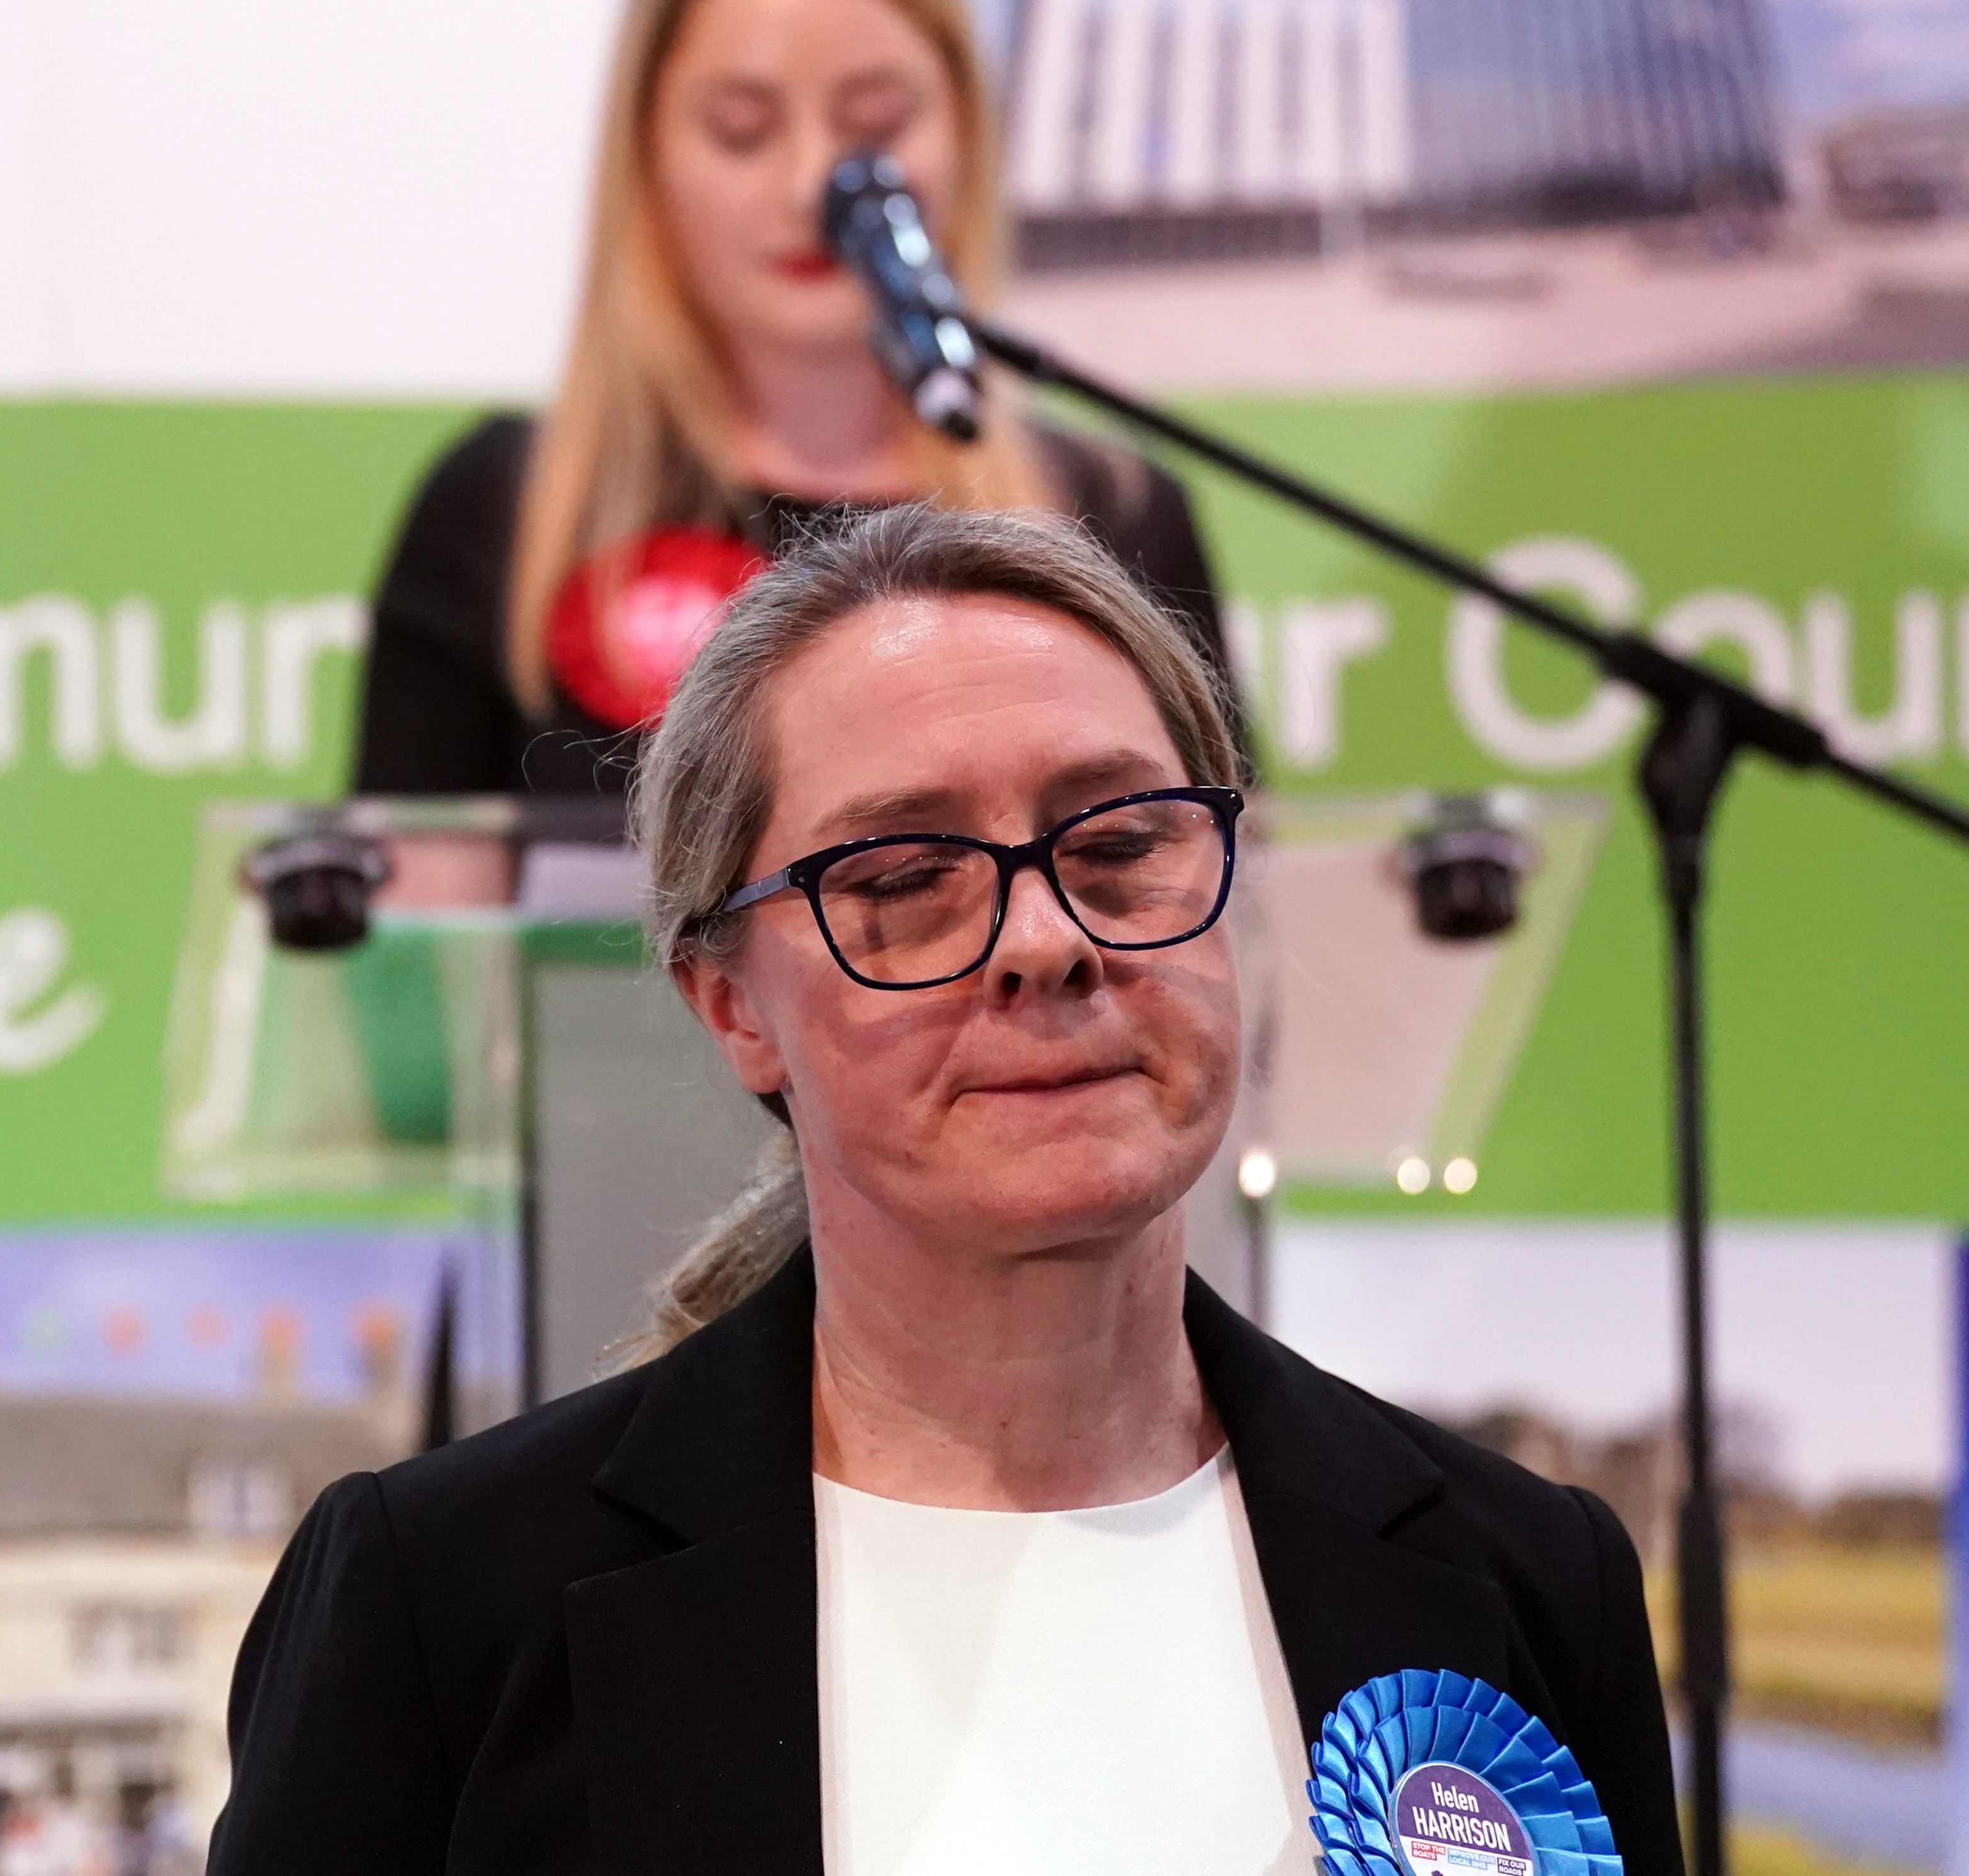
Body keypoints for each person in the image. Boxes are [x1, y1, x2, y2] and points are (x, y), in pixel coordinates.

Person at [212, 507, 1680, 1876]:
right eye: (906, 877)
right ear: (731, 1004)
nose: (1047, 939)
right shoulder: (445, 1596)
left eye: (1123, 842)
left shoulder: (1531, 1576)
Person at [351, 0, 1229, 846]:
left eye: (875, 122)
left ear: (966, 135)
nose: (814, 185)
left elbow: (1220, 907)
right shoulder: (507, 508)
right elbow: (417, 938)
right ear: (647, 157)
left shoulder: (1117, 516)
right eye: (742, 129)